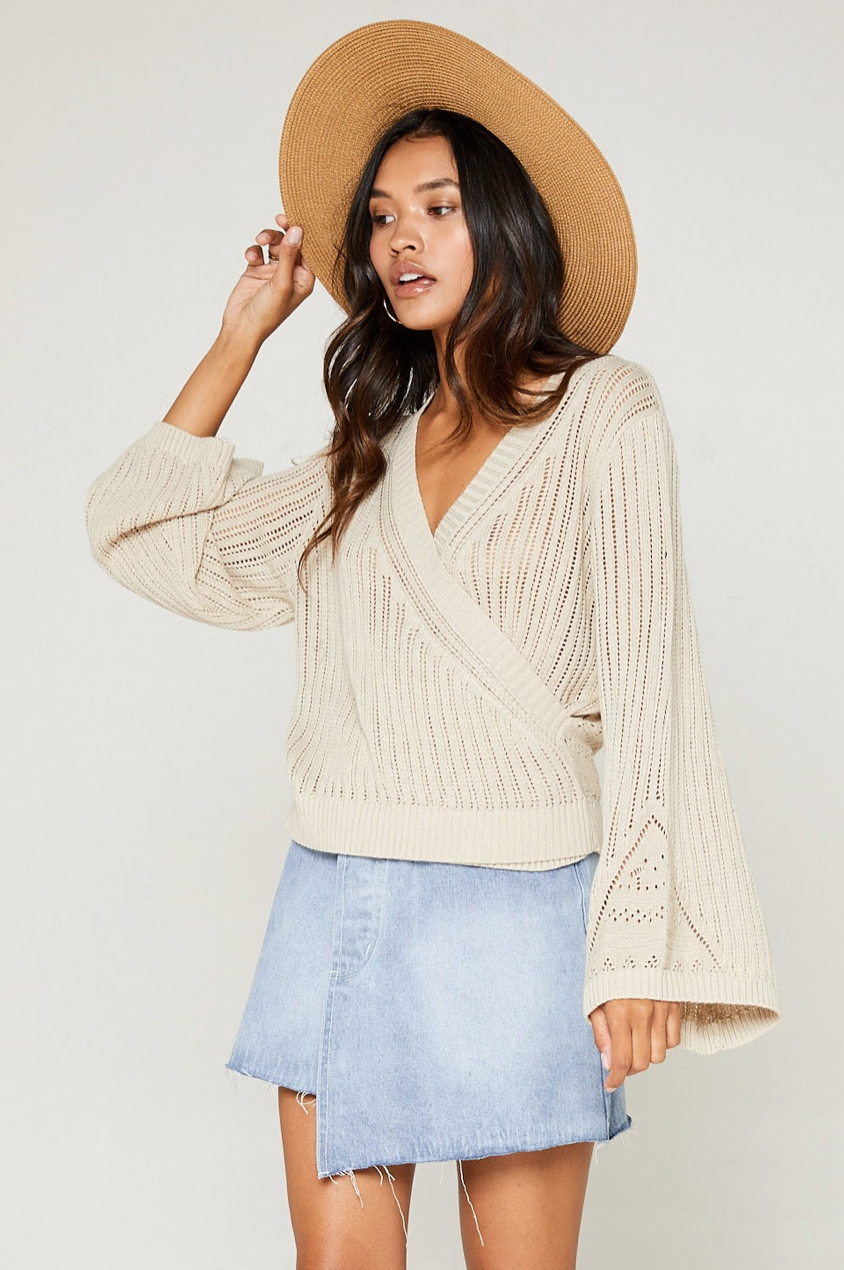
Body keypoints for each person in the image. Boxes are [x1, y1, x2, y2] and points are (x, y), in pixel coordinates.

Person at [83, 19, 781, 1270]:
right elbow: (133, 529)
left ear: (503, 222)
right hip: (335, 893)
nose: (400, 240)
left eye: (439, 208)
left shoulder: (603, 411)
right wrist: (244, 330)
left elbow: (653, 687)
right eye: (381, 218)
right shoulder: (366, 456)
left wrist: (636, 944)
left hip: (518, 910)